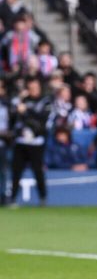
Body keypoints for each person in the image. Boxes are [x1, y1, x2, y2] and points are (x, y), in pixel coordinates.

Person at [9, 78, 51, 206]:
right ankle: (13, 199)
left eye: (35, 87)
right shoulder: (22, 100)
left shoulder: (45, 101)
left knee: (38, 171)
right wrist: (19, 99)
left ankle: (43, 198)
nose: (33, 90)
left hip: (36, 143)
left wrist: (26, 111)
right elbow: (12, 116)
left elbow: (41, 120)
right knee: (16, 171)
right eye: (31, 87)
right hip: (21, 142)